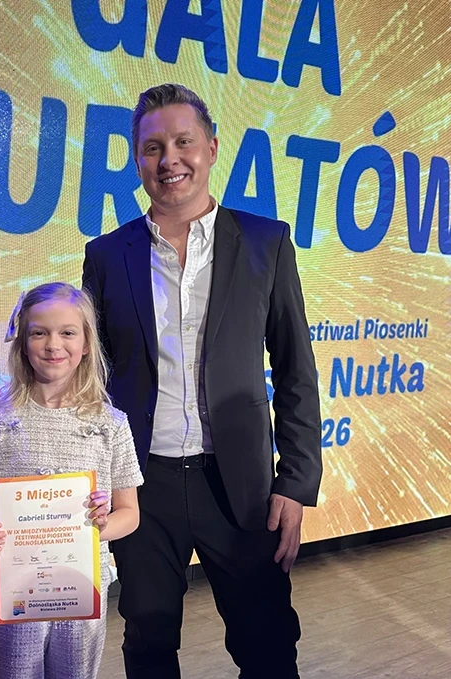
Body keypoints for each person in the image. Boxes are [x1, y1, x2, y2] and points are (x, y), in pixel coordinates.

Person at [82, 83, 323, 678]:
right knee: (148, 644)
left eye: (183, 142)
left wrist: (295, 483)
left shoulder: (266, 242)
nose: (169, 160)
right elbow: (90, 383)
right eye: (152, 147)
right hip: (142, 487)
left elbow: (296, 370)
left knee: (268, 646)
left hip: (240, 487)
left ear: (211, 148)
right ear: (137, 159)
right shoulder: (106, 256)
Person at [0, 282, 144, 679]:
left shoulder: (111, 425)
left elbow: (130, 513)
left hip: (81, 586)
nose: (53, 345)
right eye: (39, 333)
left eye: (67, 333)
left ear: (86, 343)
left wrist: (99, 526)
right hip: (15, 586)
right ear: (23, 342)